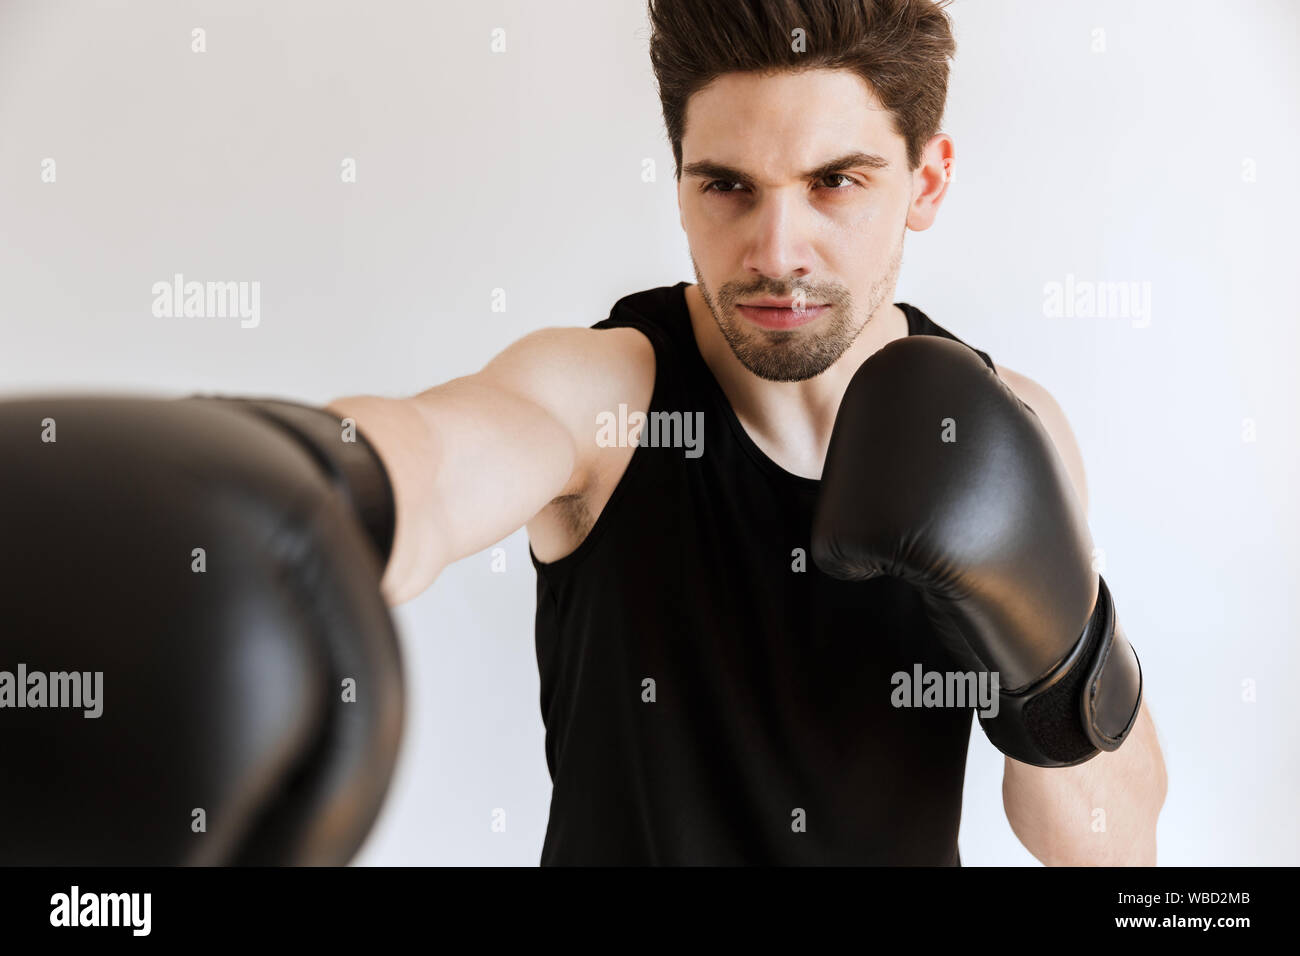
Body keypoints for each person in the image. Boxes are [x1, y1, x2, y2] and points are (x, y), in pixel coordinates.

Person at [325, 0, 1166, 864]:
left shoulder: (1007, 429)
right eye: (727, 186)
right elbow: (424, 465)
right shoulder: (604, 401)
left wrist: (1052, 649)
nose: (776, 251)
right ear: (681, 184)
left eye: (835, 181)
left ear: (928, 183)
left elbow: (1111, 849)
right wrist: (286, 491)